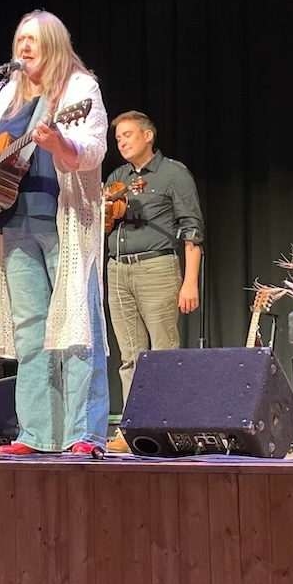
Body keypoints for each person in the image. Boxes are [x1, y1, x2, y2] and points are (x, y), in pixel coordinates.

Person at [0, 9, 109, 456]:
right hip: (12, 228)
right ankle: (35, 435)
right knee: (32, 334)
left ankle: (84, 435)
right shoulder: (5, 96)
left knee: (76, 330)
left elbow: (93, 149)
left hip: (64, 225)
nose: (24, 46)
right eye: (19, 39)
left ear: (53, 43)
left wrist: (60, 144)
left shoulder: (78, 89)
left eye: (33, 39)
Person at [103, 110, 204, 453]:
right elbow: (103, 222)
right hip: (117, 270)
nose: (122, 142)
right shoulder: (118, 177)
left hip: (157, 269)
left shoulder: (173, 174)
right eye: (118, 138)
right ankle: (133, 431)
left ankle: (168, 429)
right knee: (129, 356)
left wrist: (190, 282)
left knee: (162, 353)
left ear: (148, 136)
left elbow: (192, 229)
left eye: (128, 135)